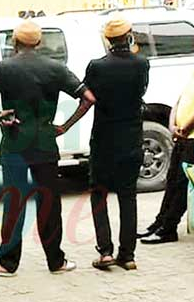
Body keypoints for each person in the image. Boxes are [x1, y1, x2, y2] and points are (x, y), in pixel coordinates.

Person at [0, 20, 92, 277]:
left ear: (14, 41)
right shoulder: (56, 68)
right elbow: (88, 97)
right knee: (49, 203)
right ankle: (56, 262)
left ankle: (7, 263)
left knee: (14, 203)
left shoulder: (2, 69)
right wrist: (65, 126)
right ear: (39, 42)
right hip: (45, 143)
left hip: (14, 145)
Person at [64, 14, 149, 271]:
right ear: (129, 36)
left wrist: (66, 125)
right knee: (128, 196)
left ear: (108, 40)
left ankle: (105, 252)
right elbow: (142, 91)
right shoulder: (142, 63)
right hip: (132, 138)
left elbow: (88, 98)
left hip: (104, 139)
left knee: (99, 193)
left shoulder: (97, 66)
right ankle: (129, 255)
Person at [140, 37, 194, 245]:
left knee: (182, 184)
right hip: (182, 135)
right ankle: (159, 223)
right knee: (172, 181)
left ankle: (169, 227)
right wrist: (172, 124)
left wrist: (185, 128)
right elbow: (180, 100)